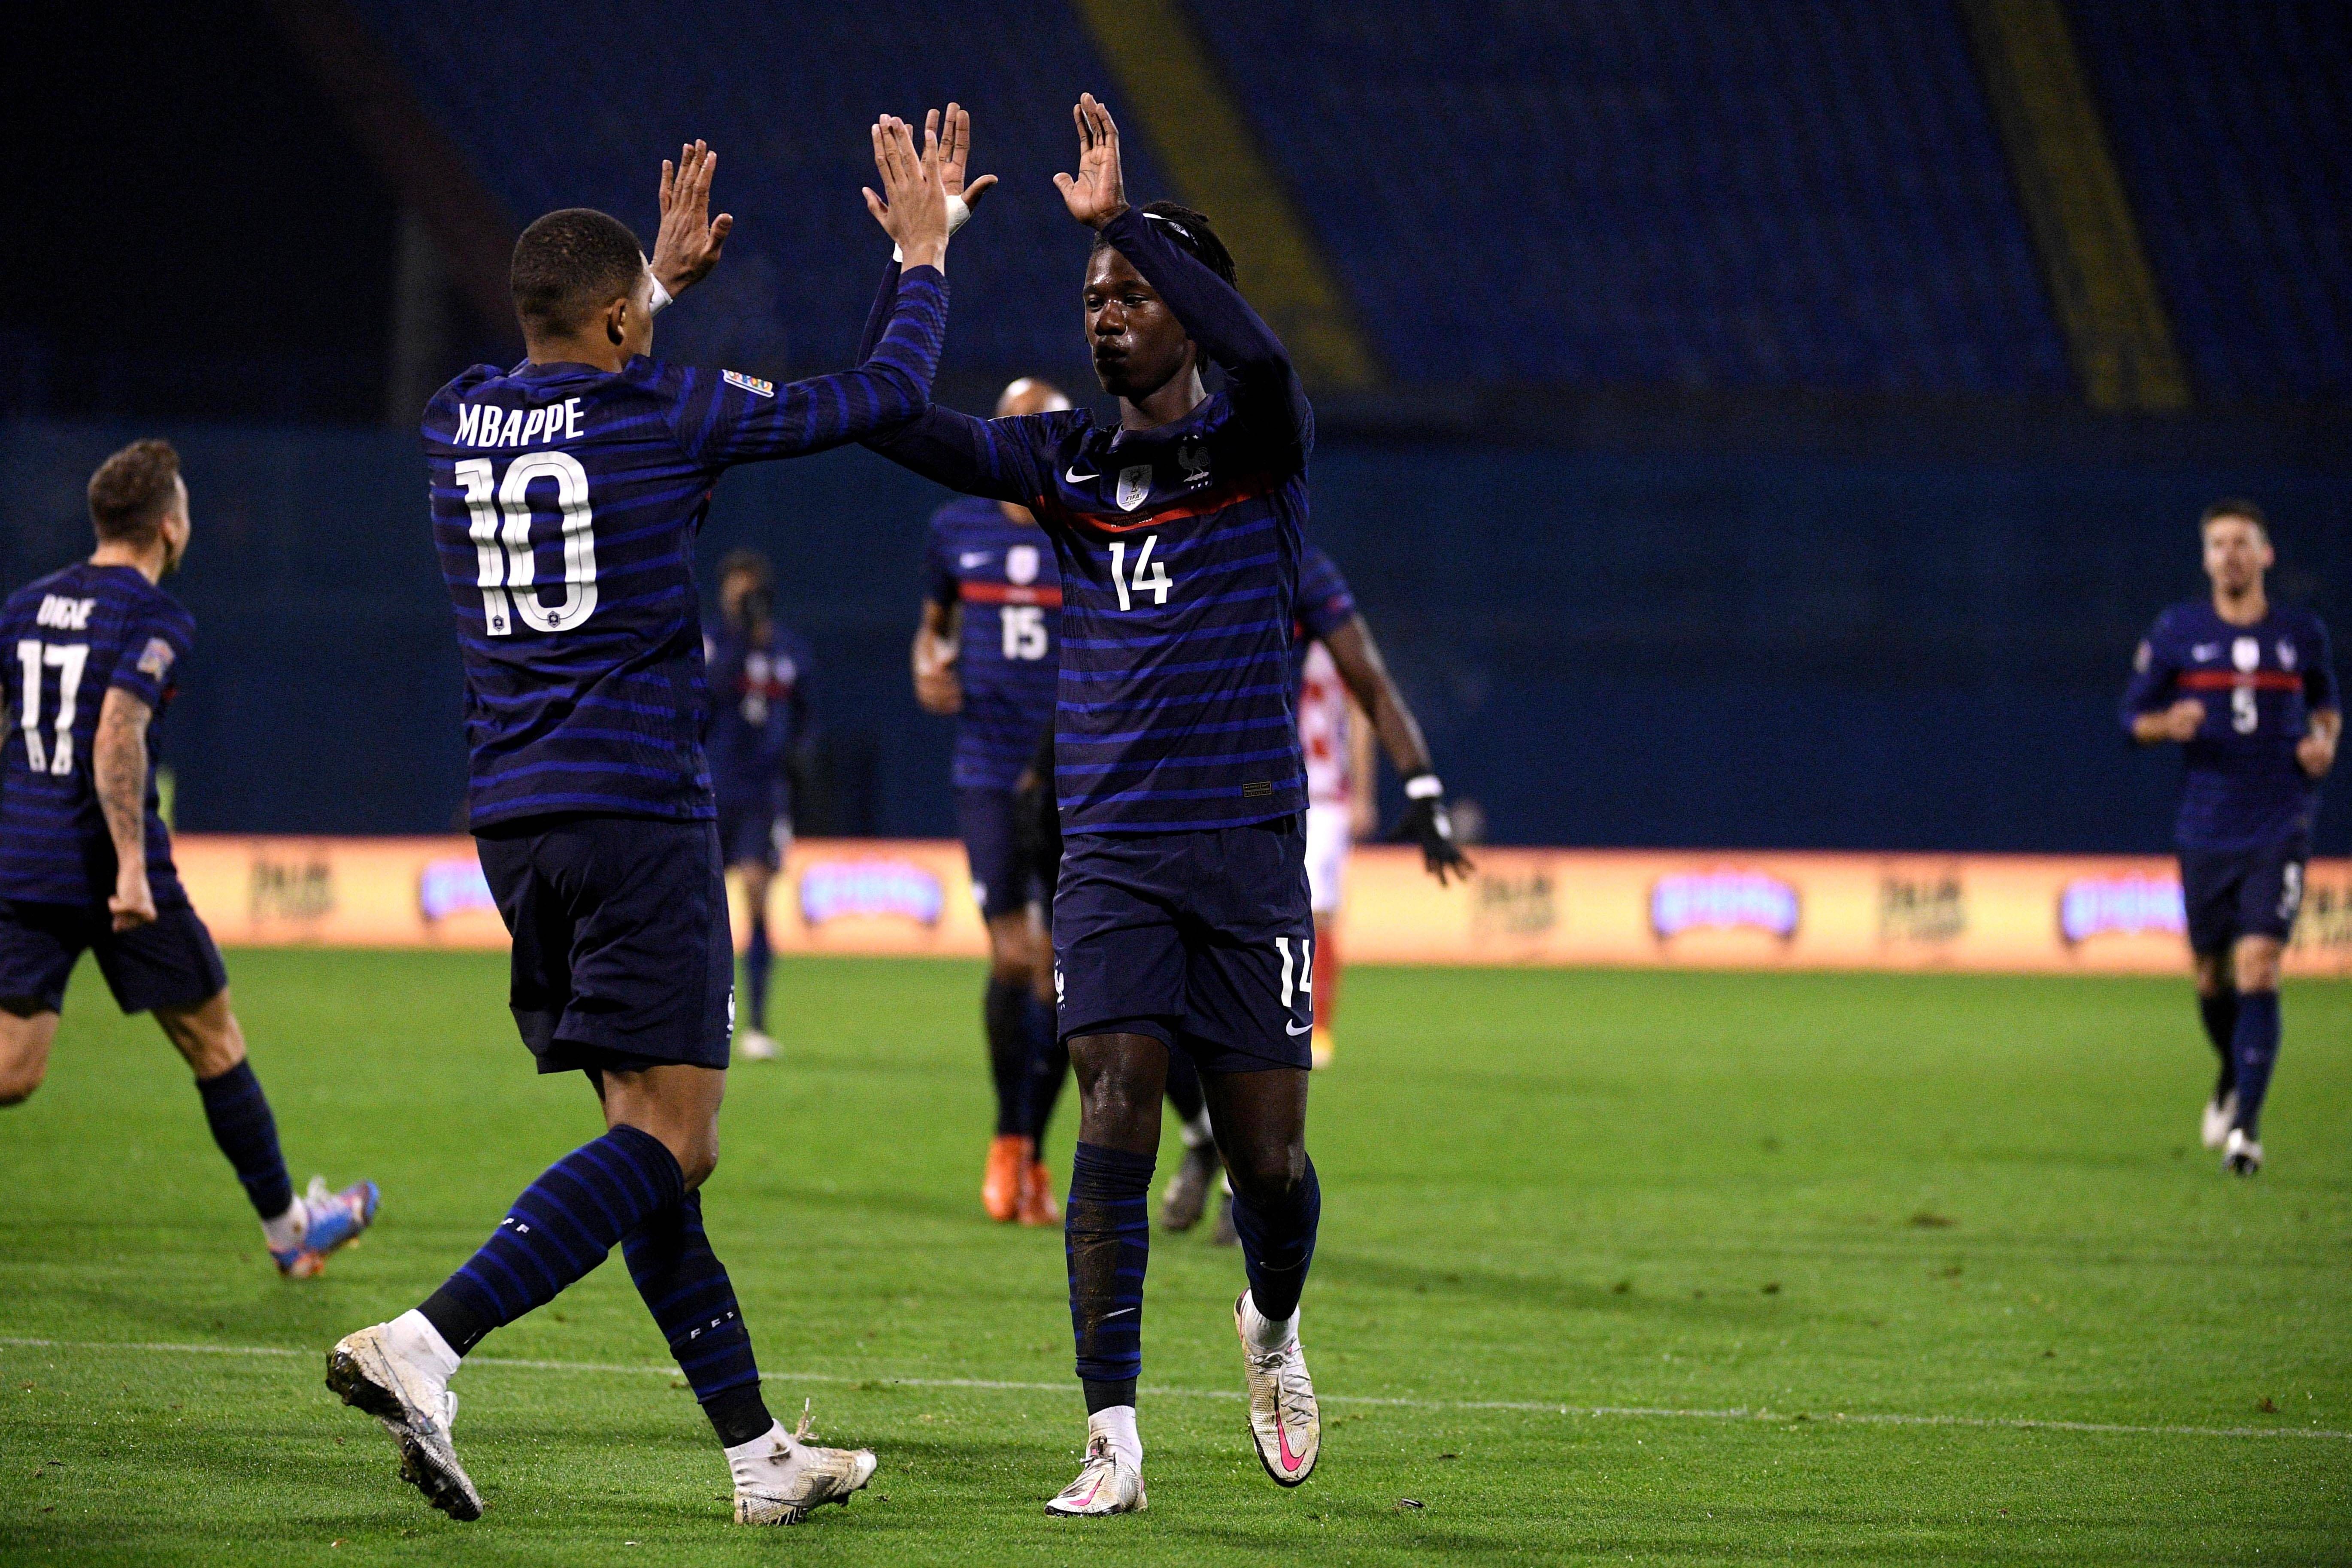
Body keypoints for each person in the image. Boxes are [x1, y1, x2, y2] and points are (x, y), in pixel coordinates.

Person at [325, 123, 958, 1526]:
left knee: (647, 1141)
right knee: (674, 1137)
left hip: (515, 825)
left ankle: (755, 1458)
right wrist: (921, 253)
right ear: (620, 319)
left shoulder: (453, 421)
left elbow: (559, 378)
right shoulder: (666, 414)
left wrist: (649, 288)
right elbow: (885, 391)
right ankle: (428, 1343)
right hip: (637, 811)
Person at [856, 95, 1428, 1511]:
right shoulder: (1066, 469)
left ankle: (1272, 1327)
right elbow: (891, 420)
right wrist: (922, 265)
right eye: (1095, 294)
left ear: (1187, 306)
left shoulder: (1262, 450)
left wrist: (1127, 223)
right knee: (1112, 1105)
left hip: (1246, 854)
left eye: (1131, 292)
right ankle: (1111, 1433)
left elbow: (1266, 351)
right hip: (1110, 852)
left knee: (1271, 1161)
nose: (1106, 311)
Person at [0, 439, 379, 1278]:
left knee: (14, 1070)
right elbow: (119, 730)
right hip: (108, 866)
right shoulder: (154, 617)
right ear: (171, 526)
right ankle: (291, 1231)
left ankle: (292, 1230)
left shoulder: (24, 606)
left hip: (22, 858)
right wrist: (132, 866)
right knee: (215, 1042)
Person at [2122, 500, 2338, 1177]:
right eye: (2218, 544)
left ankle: (2246, 1131)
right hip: (2205, 827)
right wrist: (2167, 723)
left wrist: (2324, 743)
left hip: (2280, 822)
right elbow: (2130, 717)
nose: (2231, 555)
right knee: (2212, 975)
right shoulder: (2179, 631)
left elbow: (2326, 702)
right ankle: (2231, 1072)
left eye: (2243, 543)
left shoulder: (2301, 633)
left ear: (2265, 554)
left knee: (2259, 966)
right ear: (2206, 556)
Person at [914, 375, 1072, 1226]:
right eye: (1018, 430)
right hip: (985, 765)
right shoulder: (956, 526)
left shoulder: (1085, 527)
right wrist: (925, 660)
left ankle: (1032, 1148)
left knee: (1062, 970)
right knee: (1016, 958)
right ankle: (1010, 1139)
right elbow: (931, 626)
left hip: (1071, 774)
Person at [705, 549, 812, 1062]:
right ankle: (700, 1018)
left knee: (755, 893)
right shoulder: (711, 644)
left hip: (763, 794)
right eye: (736, 589)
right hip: (712, 787)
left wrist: (797, 759)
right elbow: (701, 699)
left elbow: (807, 712)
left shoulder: (787, 649)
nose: (745, 599)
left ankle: (757, 1020)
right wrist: (742, 639)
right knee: (700, 906)